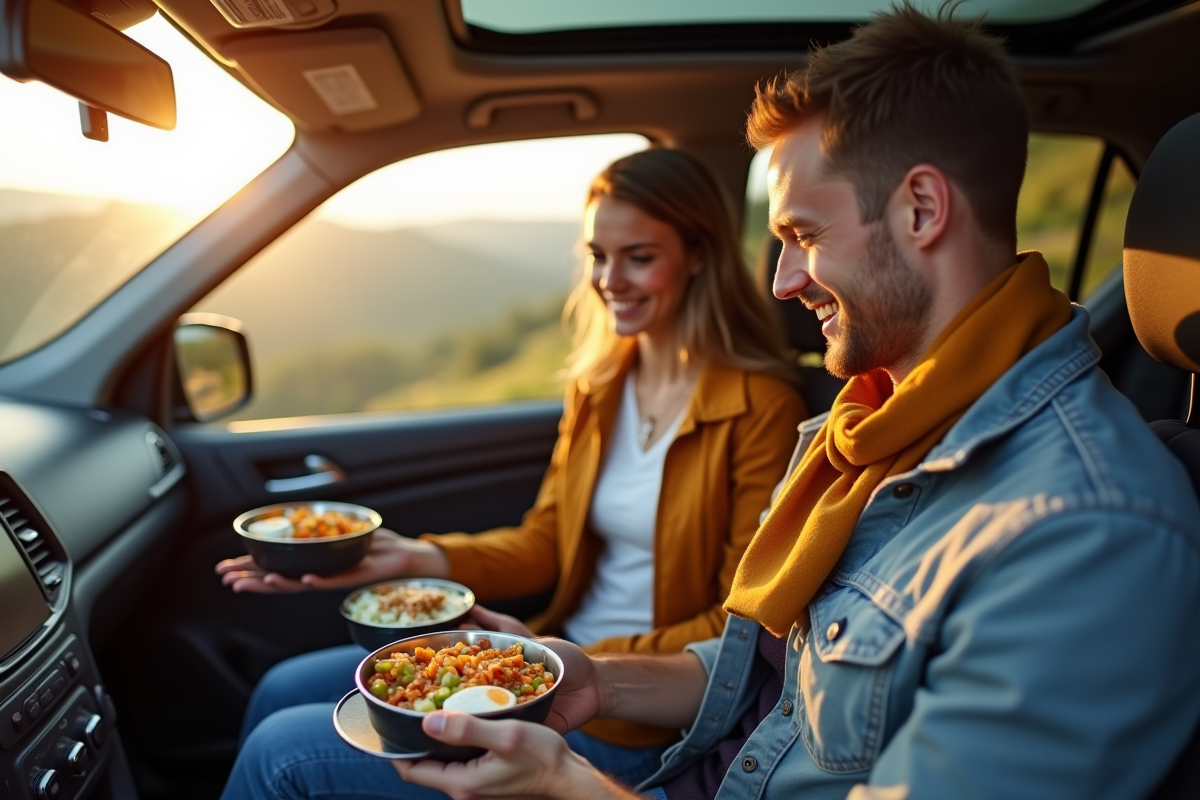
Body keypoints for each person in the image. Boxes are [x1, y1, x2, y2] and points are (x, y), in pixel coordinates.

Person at [385, 6, 1200, 800]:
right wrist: (599, 677)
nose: (781, 281)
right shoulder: (861, 432)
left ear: (921, 209)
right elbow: (767, 669)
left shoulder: (1084, 533)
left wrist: (563, 786)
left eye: (803, 236)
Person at [216, 147, 806, 798]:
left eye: (639, 257)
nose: (611, 279)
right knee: (280, 687)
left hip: (633, 713)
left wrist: (578, 663)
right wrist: (419, 557)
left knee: (282, 756)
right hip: (547, 654)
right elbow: (547, 542)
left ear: (699, 256)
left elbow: (738, 625)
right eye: (598, 256)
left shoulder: (761, 409)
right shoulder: (601, 388)